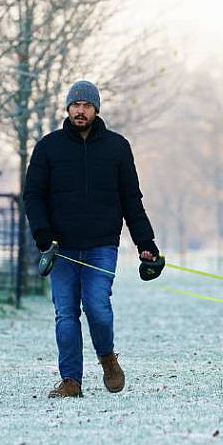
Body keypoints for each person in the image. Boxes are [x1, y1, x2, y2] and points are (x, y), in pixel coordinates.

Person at [24, 80, 160, 398]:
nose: (80, 110)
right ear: (68, 109)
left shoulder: (117, 147)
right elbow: (33, 195)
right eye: (75, 105)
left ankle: (108, 359)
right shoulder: (48, 147)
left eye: (86, 105)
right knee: (65, 312)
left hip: (101, 245)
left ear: (96, 109)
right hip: (60, 248)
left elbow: (131, 199)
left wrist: (146, 243)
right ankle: (71, 380)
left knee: (97, 306)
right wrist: (43, 235)